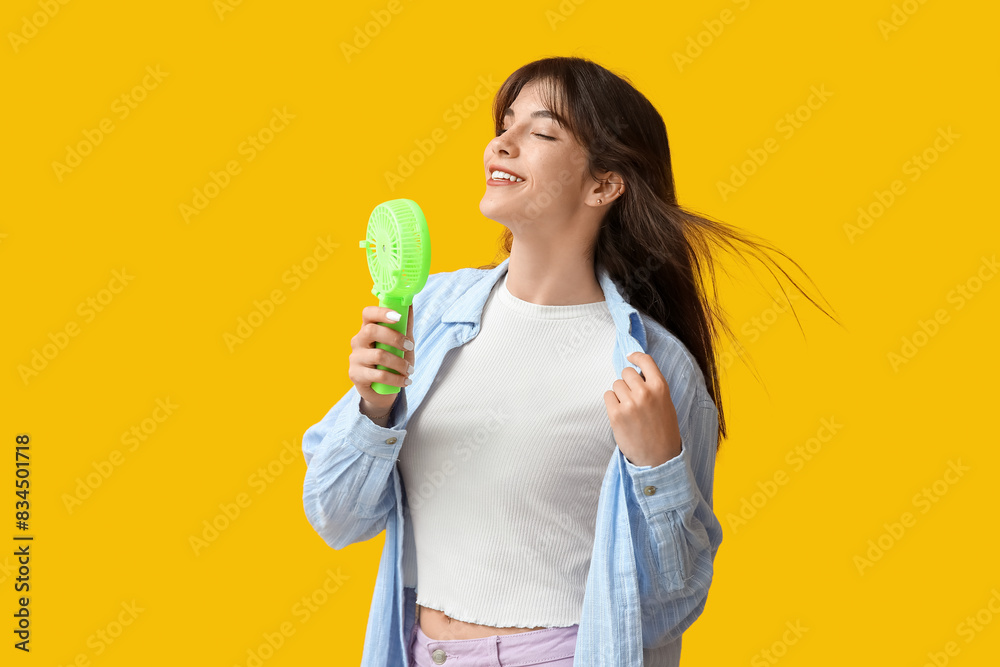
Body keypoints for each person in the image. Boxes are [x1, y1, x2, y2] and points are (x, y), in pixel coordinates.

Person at [301, 56, 835, 667]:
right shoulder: (431, 314)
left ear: (602, 186)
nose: (501, 143)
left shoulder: (655, 369)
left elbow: (670, 608)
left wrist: (658, 465)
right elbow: (334, 517)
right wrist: (374, 411)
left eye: (542, 132)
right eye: (505, 123)